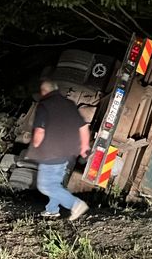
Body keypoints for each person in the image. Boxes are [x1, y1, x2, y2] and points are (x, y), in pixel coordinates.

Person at [27, 79, 91, 220]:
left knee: (45, 185)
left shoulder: (44, 106)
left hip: (51, 152)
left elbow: (39, 132)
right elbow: (83, 126)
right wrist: (84, 146)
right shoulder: (69, 104)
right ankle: (52, 209)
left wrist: (36, 145)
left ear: (44, 92)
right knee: (55, 183)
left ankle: (75, 204)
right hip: (67, 153)